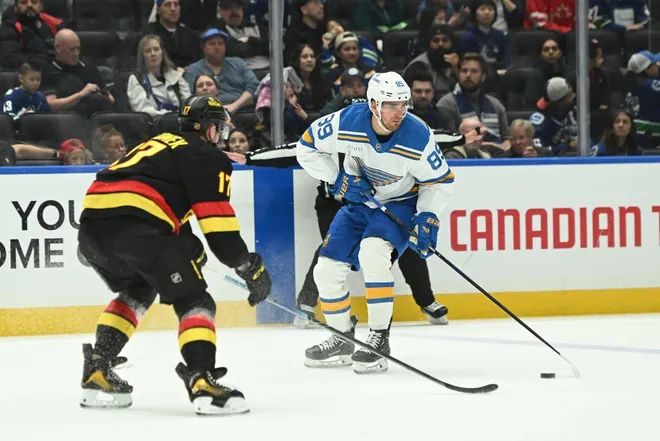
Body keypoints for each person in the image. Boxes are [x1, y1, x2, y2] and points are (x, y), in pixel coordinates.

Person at [77, 95, 272, 415]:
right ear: (209, 130)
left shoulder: (157, 143)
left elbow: (161, 199)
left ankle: (98, 370)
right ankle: (201, 379)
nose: (222, 134)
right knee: (197, 301)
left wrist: (188, 248)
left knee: (137, 289)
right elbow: (219, 226)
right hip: (139, 228)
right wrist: (248, 265)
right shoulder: (207, 156)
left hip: (92, 229)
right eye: (219, 127)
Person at [296, 72, 479, 374]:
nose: (399, 112)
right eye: (391, 105)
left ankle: (379, 338)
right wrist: (338, 179)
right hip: (359, 203)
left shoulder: (417, 135)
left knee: (373, 252)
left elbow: (440, 181)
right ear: (372, 104)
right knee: (326, 269)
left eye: (403, 104)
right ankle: (341, 338)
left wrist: (427, 217)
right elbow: (306, 147)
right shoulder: (345, 121)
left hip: (401, 203)